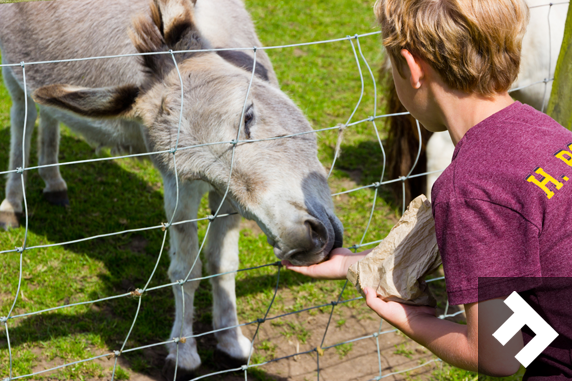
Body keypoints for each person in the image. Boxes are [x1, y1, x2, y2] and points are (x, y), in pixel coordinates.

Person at [285, 0, 572, 378]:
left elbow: (499, 356)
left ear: (412, 67)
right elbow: (541, 300)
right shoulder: (549, 133)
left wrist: (407, 316)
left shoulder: (470, 187)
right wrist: (354, 265)